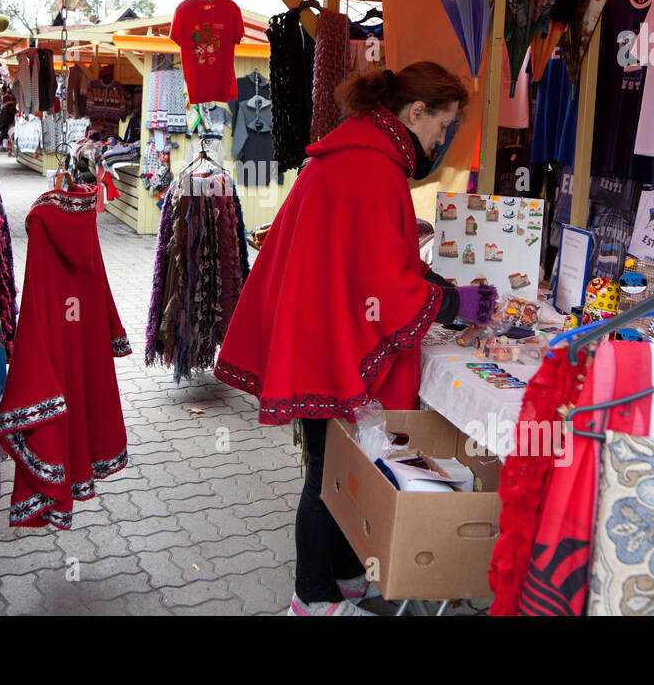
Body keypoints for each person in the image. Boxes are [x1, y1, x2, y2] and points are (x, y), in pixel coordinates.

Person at [213, 61, 497, 616]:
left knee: (341, 467)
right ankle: (312, 599)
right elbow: (385, 286)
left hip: (320, 331)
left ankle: (344, 578)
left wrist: (433, 286)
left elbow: (376, 263)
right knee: (330, 472)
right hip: (325, 342)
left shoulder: (361, 154)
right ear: (416, 113)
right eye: (443, 128)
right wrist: (455, 303)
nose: (442, 141)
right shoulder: (371, 166)